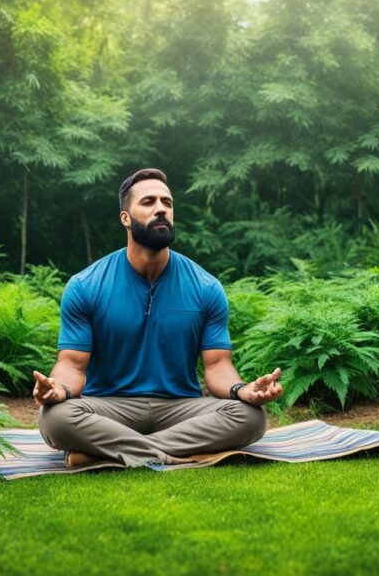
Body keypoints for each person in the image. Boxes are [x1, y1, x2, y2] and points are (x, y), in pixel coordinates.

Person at [32, 168, 284, 467]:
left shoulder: (205, 286)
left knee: (250, 417)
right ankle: (184, 454)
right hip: (109, 408)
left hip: (180, 407)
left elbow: (217, 366)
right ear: (126, 218)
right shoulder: (86, 285)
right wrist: (58, 388)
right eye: (149, 202)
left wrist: (242, 391)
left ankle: (105, 454)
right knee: (55, 418)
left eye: (167, 202)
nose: (161, 209)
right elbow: (72, 364)